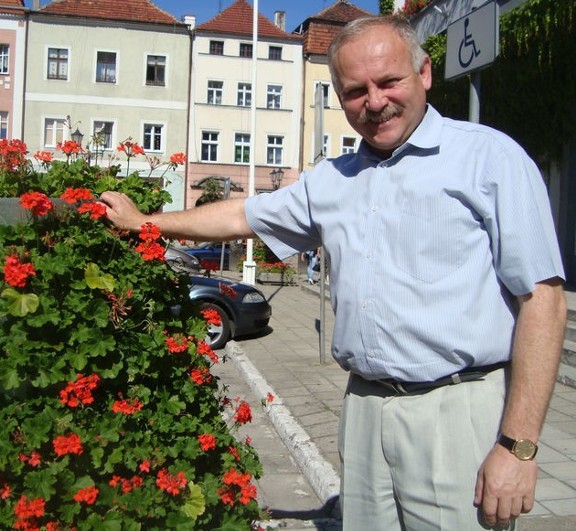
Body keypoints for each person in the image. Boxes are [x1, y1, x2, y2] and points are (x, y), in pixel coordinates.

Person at [99, 14, 567, 531]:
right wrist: (147, 223)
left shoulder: (489, 158)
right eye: (355, 90)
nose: (375, 101)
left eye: (389, 81)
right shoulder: (333, 180)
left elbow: (542, 300)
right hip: (365, 408)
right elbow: (241, 215)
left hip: (456, 413)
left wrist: (517, 447)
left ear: (425, 73)